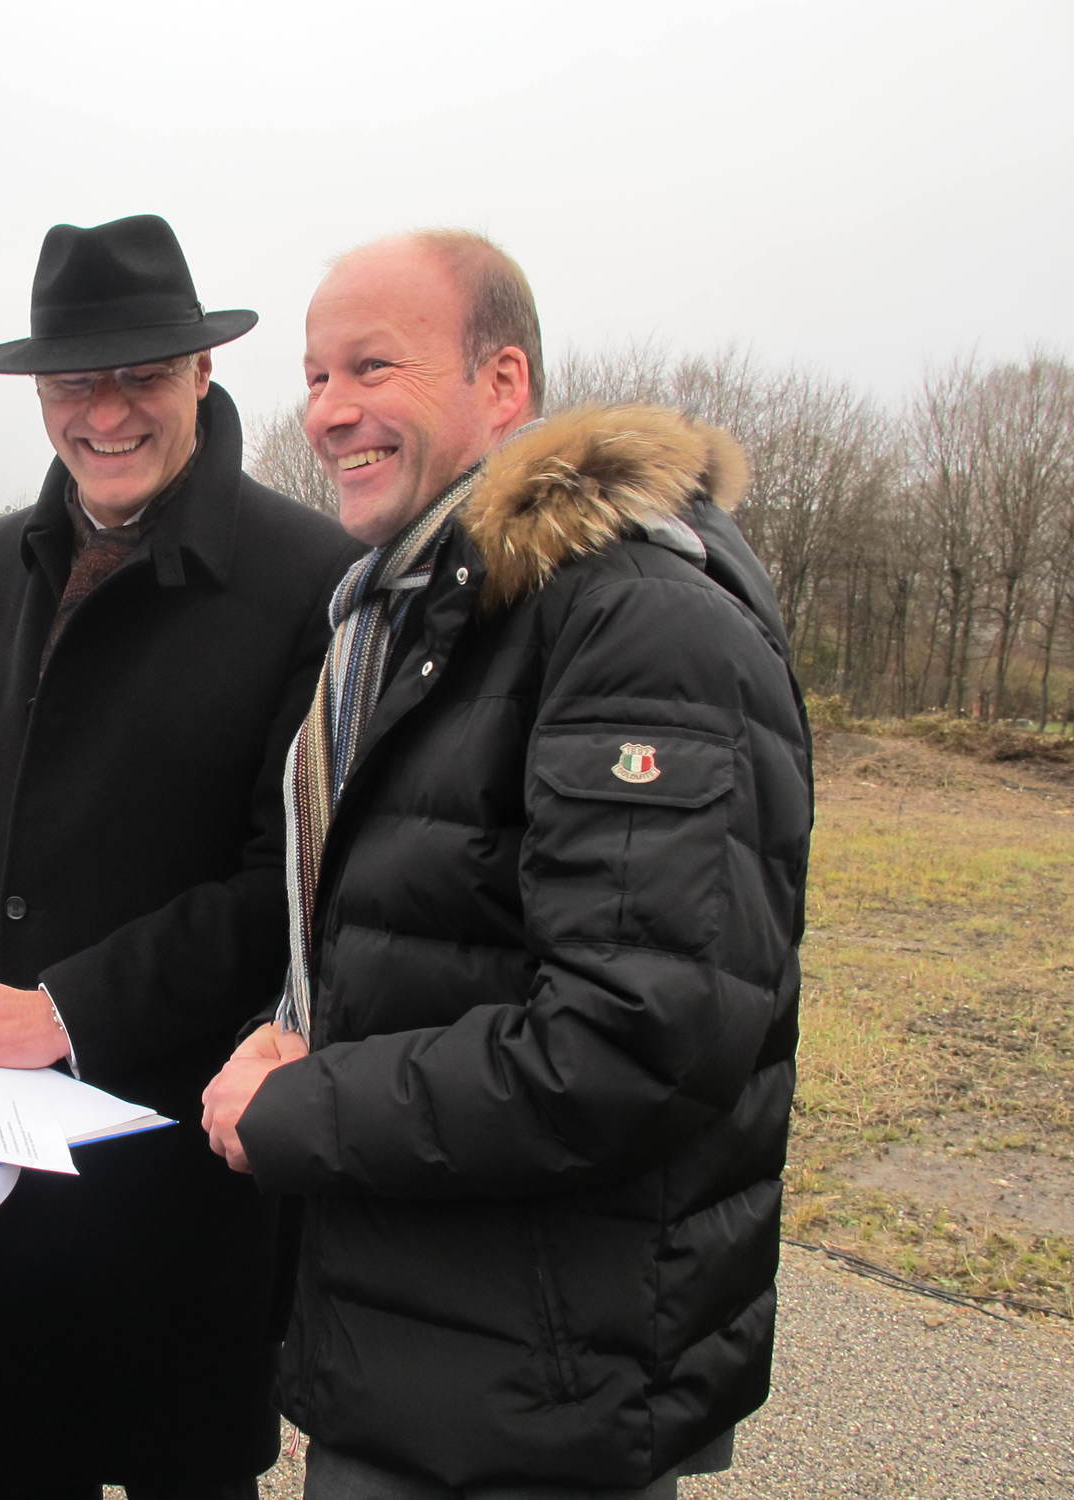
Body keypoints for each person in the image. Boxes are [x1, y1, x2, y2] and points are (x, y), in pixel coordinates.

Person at [201, 231, 813, 1499]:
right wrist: (291, 1029)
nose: (329, 412)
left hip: (535, 1392)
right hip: (420, 1341)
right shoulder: (415, 615)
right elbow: (421, 936)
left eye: (373, 365)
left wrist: (304, 1109)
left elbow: (634, 1038)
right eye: (314, 377)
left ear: (502, 383)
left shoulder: (633, 623)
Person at [0, 214, 360, 1499]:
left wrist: (62, 1012)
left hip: (180, 1183)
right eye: (71, 384)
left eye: (139, 377)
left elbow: (285, 890)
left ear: (202, 375)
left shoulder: (307, 579)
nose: (103, 414)